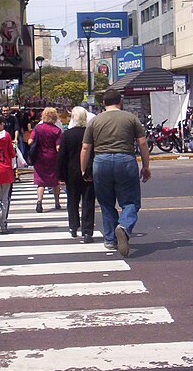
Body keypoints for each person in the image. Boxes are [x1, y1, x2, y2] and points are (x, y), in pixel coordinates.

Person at [80, 89, 150, 256]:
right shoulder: (131, 118)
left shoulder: (95, 121)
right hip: (125, 160)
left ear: (103, 103)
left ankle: (110, 240)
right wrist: (146, 166)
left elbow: (85, 147)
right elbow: (142, 143)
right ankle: (124, 226)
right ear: (120, 101)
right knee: (131, 202)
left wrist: (83, 169)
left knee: (106, 203)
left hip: (101, 161)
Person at [58, 106, 95, 243]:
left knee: (72, 200)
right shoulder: (91, 133)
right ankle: (87, 231)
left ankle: (73, 227)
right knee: (88, 201)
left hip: (71, 172)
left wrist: (60, 175)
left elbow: (61, 156)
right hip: (88, 171)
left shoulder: (67, 135)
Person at [31, 107, 63, 213]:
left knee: (41, 181)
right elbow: (58, 147)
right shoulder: (57, 130)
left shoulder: (37, 128)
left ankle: (39, 202)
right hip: (53, 157)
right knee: (55, 181)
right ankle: (57, 202)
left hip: (39, 157)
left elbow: (30, 141)